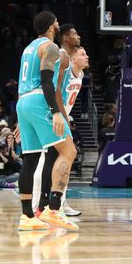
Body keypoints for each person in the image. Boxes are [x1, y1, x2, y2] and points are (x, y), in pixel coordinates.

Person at [14, 11, 78, 232]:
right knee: (68, 151)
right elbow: (46, 81)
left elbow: (25, 82)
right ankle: (53, 208)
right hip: (40, 100)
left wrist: (20, 118)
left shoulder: (28, 49)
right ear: (51, 26)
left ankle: (27, 216)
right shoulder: (50, 47)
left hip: (23, 102)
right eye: (57, 21)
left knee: (30, 160)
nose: (59, 24)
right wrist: (56, 112)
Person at [34, 24, 83, 218]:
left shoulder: (76, 67)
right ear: (64, 37)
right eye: (74, 33)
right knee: (51, 159)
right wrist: (60, 115)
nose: (78, 36)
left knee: (59, 158)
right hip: (51, 114)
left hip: (57, 114)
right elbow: (55, 89)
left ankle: (55, 203)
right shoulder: (61, 56)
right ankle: (45, 203)